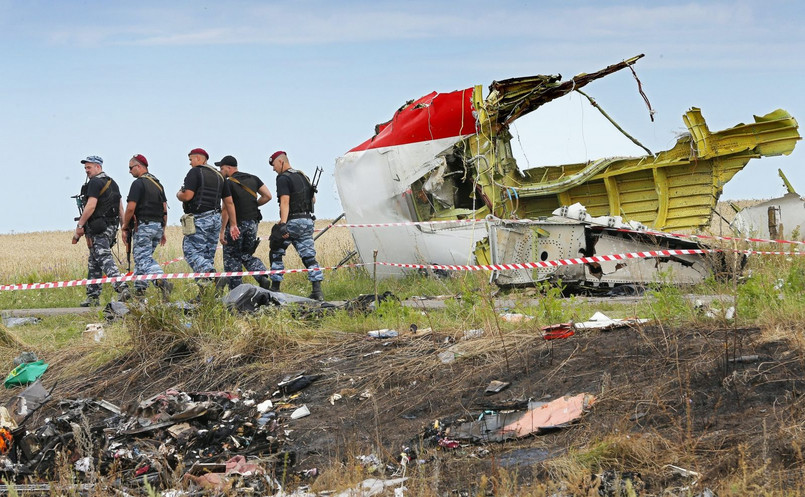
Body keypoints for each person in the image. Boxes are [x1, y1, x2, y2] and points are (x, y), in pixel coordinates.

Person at [176, 148, 240, 293]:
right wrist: (233, 224)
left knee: (190, 251)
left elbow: (187, 196)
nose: (190, 163)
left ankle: (212, 274)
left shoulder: (195, 172)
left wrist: (179, 194)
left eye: (191, 159)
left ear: (199, 158)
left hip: (200, 219)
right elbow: (229, 203)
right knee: (206, 255)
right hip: (216, 219)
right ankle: (206, 293)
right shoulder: (219, 176)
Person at [72, 155, 131, 306]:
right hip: (112, 226)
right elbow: (120, 208)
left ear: (98, 167)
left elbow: (90, 206)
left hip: (100, 227)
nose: (86, 171)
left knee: (103, 257)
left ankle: (121, 287)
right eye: (85, 168)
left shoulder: (95, 183)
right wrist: (124, 227)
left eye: (89, 167)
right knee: (94, 260)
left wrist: (80, 226)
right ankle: (92, 297)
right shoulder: (113, 183)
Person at [267, 151, 324, 300]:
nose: (273, 169)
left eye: (273, 165)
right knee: (309, 256)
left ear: (280, 162)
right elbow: (313, 200)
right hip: (307, 221)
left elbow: (285, 201)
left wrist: (283, 224)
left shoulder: (283, 178)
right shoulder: (302, 176)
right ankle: (317, 291)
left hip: (292, 221)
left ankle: (275, 288)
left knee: (276, 249)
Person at [216, 155, 274, 290]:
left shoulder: (227, 183)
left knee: (232, 258)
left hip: (236, 226)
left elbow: (225, 209)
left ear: (229, 168)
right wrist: (255, 204)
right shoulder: (253, 178)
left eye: (222, 168)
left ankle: (236, 292)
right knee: (246, 255)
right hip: (253, 224)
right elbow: (267, 196)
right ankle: (262, 276)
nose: (220, 171)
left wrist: (223, 230)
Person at [121, 154, 172, 298]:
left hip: (144, 226)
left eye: (131, 168)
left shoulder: (138, 183)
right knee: (143, 257)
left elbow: (131, 208)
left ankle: (161, 281)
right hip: (157, 226)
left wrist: (125, 226)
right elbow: (164, 209)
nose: (129, 171)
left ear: (138, 167)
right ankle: (139, 291)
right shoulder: (157, 183)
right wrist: (163, 230)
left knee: (143, 259)